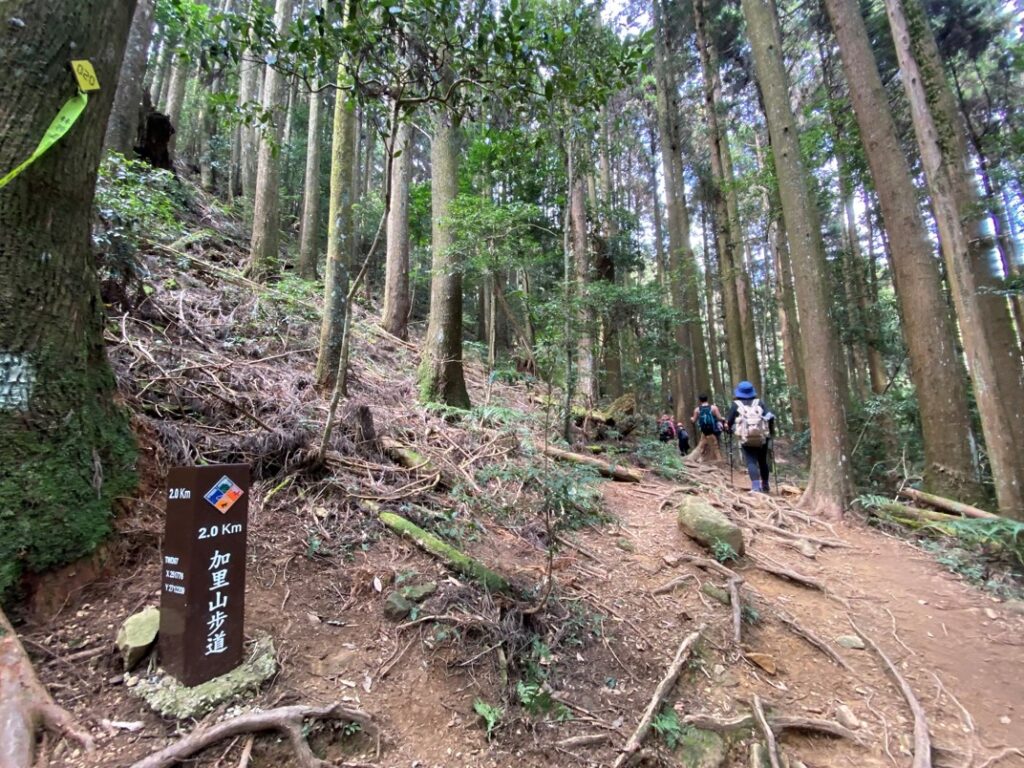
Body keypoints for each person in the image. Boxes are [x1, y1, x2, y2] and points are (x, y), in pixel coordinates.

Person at [725, 381, 776, 493]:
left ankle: (756, 487)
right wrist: (771, 433)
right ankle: (766, 485)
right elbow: (769, 416)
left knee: (751, 461)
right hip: (762, 437)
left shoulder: (736, 405)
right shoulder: (760, 403)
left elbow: (729, 422)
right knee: (763, 461)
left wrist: (728, 430)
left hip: (746, 437)